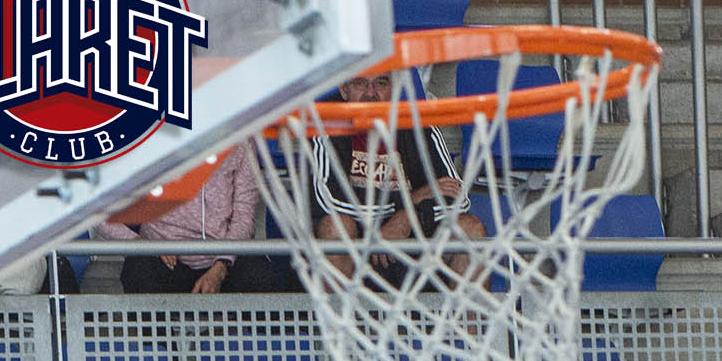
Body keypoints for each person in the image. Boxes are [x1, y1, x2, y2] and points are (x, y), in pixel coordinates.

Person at [308, 70, 483, 285]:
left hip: (413, 246)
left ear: (394, 89)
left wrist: (409, 217)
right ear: (344, 90)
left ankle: (464, 310)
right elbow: (328, 200)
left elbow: (458, 198)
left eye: (380, 83)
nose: (370, 93)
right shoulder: (325, 125)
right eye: (360, 84)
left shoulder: (418, 123)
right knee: (336, 227)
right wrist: (412, 201)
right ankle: (338, 310)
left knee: (470, 228)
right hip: (357, 247)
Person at [98, 147, 283, 293]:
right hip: (163, 260)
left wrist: (222, 264)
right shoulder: (146, 136)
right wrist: (142, 244)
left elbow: (244, 216)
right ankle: (161, 334)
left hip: (223, 259)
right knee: (138, 269)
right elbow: (96, 212)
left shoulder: (240, 137)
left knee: (261, 274)